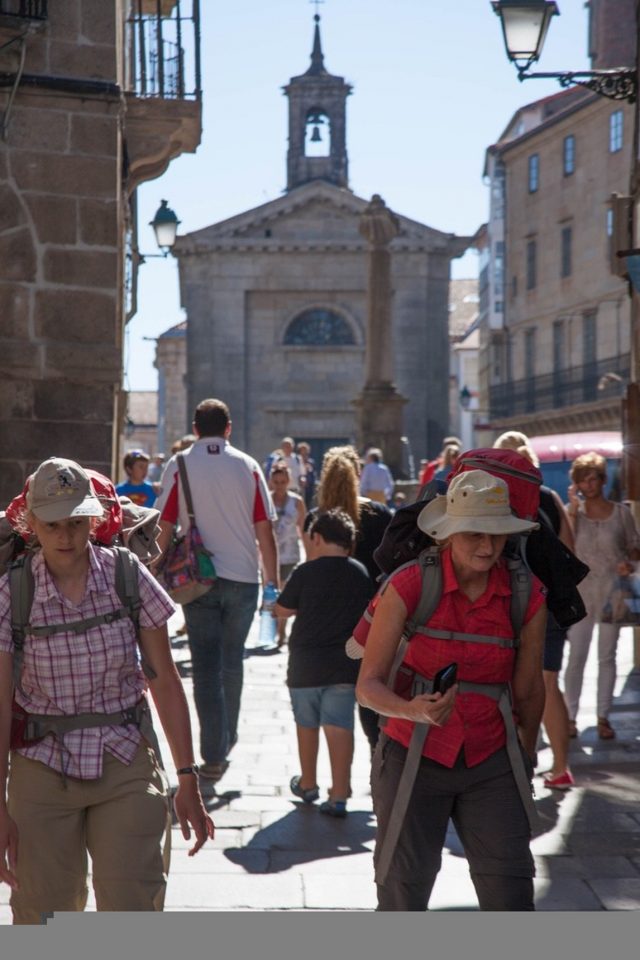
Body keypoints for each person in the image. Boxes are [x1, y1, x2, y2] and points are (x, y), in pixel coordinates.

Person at [0, 457, 214, 923]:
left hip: (125, 758)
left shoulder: (126, 575)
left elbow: (163, 678)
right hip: (40, 766)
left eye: (77, 522)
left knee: (132, 906)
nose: (65, 536)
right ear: (30, 523)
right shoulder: (12, 592)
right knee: (42, 912)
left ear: (94, 519)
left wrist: (187, 778)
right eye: (53, 523)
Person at [357, 469, 546, 911]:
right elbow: (367, 686)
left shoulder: (526, 594)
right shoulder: (408, 586)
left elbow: (529, 689)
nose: (487, 547)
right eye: (475, 535)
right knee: (403, 893)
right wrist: (411, 709)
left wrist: (527, 750)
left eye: (497, 536)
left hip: (492, 758)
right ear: (449, 533)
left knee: (511, 895)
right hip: (412, 755)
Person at [155, 398, 279, 784]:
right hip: (243, 577)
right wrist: (272, 582)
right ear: (228, 429)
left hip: (198, 579)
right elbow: (265, 529)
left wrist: (150, 569)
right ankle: (227, 736)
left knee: (205, 668)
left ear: (195, 428)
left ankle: (212, 753)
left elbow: (164, 523)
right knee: (232, 662)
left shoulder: (180, 465)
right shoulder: (249, 466)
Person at [274, 509, 375, 817]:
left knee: (306, 725)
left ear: (315, 538)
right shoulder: (359, 572)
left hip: (305, 665)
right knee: (340, 726)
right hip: (345, 664)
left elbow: (282, 610)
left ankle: (307, 783)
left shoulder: (305, 572)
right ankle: (340, 793)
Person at [493, 430, 576, 789]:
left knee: (509, 684)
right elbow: (569, 552)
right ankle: (559, 766)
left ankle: (515, 761)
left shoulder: (495, 500)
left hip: (509, 604)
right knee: (547, 683)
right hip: (550, 603)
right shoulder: (549, 498)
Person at [303, 445, 393, 754]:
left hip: (327, 627)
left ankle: (337, 790)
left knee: (334, 710)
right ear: (358, 475)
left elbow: (311, 571)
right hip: (373, 622)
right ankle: (379, 774)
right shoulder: (380, 515)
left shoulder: (316, 519)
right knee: (373, 704)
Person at [564, 451, 640, 740]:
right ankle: (570, 718)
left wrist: (629, 562)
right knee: (577, 656)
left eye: (593, 478)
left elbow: (635, 546)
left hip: (613, 593)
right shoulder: (575, 514)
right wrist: (572, 508)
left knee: (607, 656)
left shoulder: (621, 513)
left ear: (602, 480)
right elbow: (566, 547)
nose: (589, 484)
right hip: (582, 593)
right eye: (583, 480)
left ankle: (603, 717)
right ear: (577, 484)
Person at [269, 460, 306, 647]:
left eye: (283, 482)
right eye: (276, 482)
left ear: (288, 481)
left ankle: (281, 631)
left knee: (284, 592)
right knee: (271, 593)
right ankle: (275, 628)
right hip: (269, 555)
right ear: (271, 482)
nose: (280, 486)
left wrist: (310, 555)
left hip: (291, 554)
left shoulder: (297, 502)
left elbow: (304, 530)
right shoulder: (266, 500)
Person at [297, 441, 317, 510]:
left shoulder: (311, 462)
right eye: (302, 449)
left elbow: (313, 474)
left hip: (309, 487)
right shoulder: (297, 460)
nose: (304, 452)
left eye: (305, 450)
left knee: (308, 504)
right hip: (300, 487)